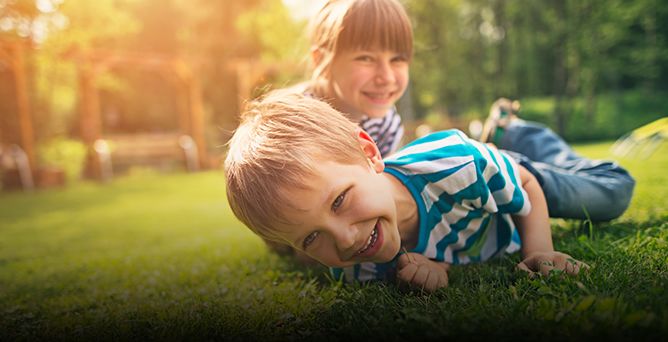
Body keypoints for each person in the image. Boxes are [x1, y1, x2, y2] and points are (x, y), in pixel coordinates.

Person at [224, 91, 589, 293]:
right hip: (484, 187)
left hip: (508, 169)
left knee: (611, 195)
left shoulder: (456, 165)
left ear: (369, 153)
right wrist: (434, 269)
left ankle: (511, 130)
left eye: (339, 200)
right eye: (311, 238)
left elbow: (525, 184)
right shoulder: (356, 270)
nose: (346, 239)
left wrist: (540, 250)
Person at [262, 0, 413, 260]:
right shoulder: (297, 118)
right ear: (323, 60)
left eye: (397, 59)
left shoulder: (385, 121)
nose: (386, 76)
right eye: (366, 58)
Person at [477, 98, 636, 221]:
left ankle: (505, 132)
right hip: (511, 146)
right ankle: (507, 131)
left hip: (509, 145)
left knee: (615, 182)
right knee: (617, 181)